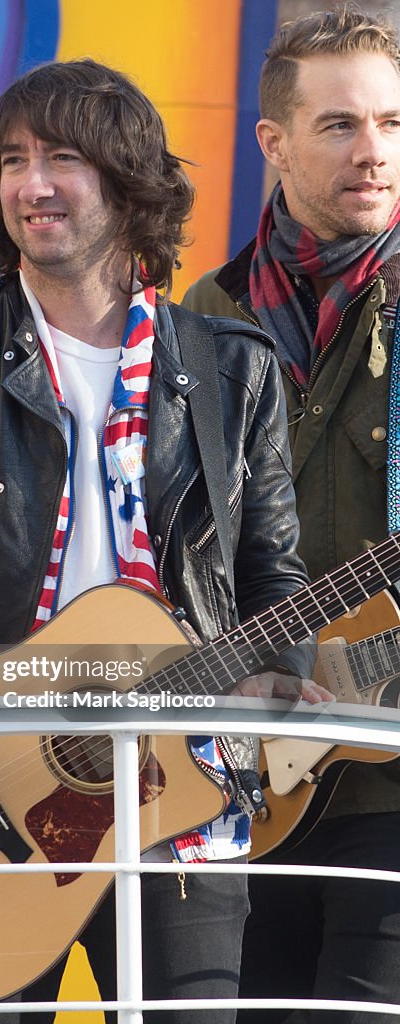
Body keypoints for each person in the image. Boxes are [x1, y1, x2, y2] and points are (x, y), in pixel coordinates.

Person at [0, 58, 322, 1024]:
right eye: (12, 159)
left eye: (63, 159)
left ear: (130, 185)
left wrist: (280, 674)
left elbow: (270, 575)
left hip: (184, 793)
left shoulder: (233, 369)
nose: (29, 184)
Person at [182, 7, 400, 1022]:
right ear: (271, 141)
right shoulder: (198, 319)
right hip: (232, 777)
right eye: (341, 125)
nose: (373, 153)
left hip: (390, 772)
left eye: (392, 125)